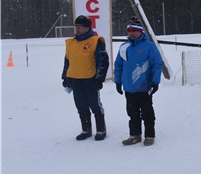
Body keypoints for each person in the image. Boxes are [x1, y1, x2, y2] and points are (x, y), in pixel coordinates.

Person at [114, 16, 163, 146]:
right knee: (132, 113)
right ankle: (135, 135)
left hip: (144, 87)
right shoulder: (124, 47)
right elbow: (118, 65)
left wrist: (155, 82)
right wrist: (118, 82)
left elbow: (157, 65)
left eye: (134, 30)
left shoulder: (149, 46)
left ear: (140, 31)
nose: (131, 33)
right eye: (129, 30)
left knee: (147, 112)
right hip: (129, 88)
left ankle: (149, 135)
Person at [62, 15, 109, 141]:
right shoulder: (71, 43)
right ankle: (86, 129)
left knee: (95, 105)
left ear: (88, 28)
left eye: (80, 27)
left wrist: (99, 78)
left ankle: (101, 129)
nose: (77, 29)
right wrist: (65, 76)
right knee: (81, 106)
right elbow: (67, 61)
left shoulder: (95, 41)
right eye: (76, 27)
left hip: (90, 80)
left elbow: (103, 61)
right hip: (75, 80)